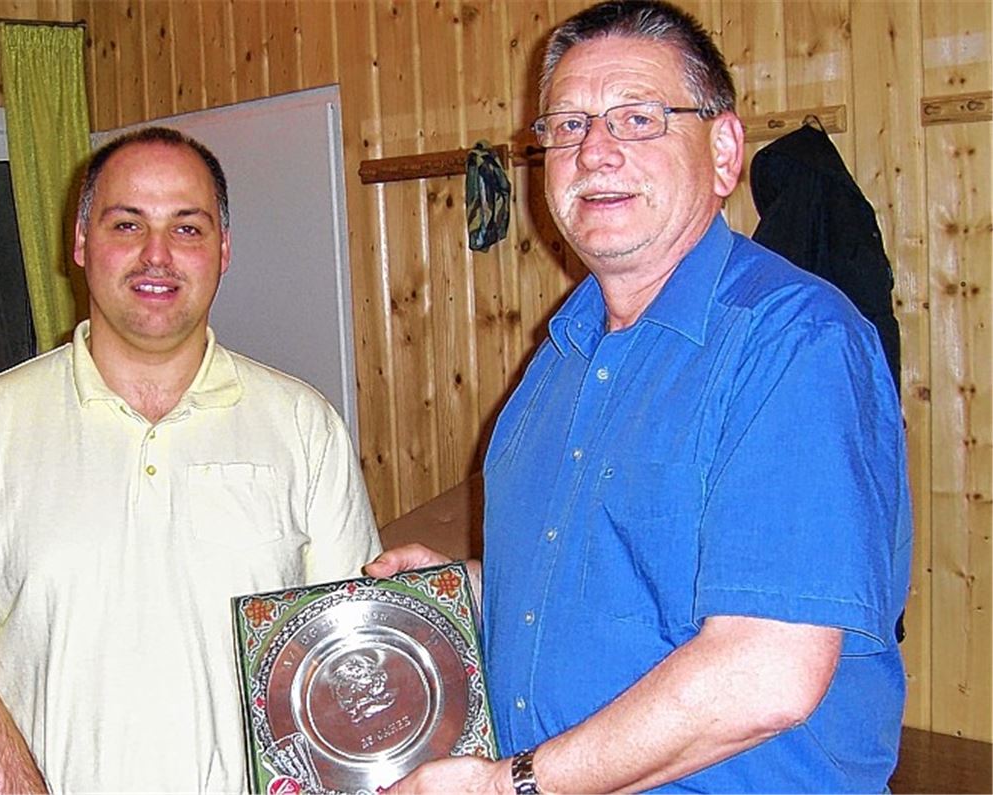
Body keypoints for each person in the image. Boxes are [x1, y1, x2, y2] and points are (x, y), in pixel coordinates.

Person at [365, 1, 913, 792]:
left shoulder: (794, 342)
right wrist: (462, 595)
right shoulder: (557, 360)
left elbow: (766, 669)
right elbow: (612, 582)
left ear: (724, 151)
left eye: (638, 118)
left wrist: (507, 784)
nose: (595, 151)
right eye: (567, 126)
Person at [0, 127, 382, 793]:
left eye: (187, 228)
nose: (157, 255)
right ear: (82, 243)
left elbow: (345, 656)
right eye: (127, 224)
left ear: (224, 250)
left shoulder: (304, 426)